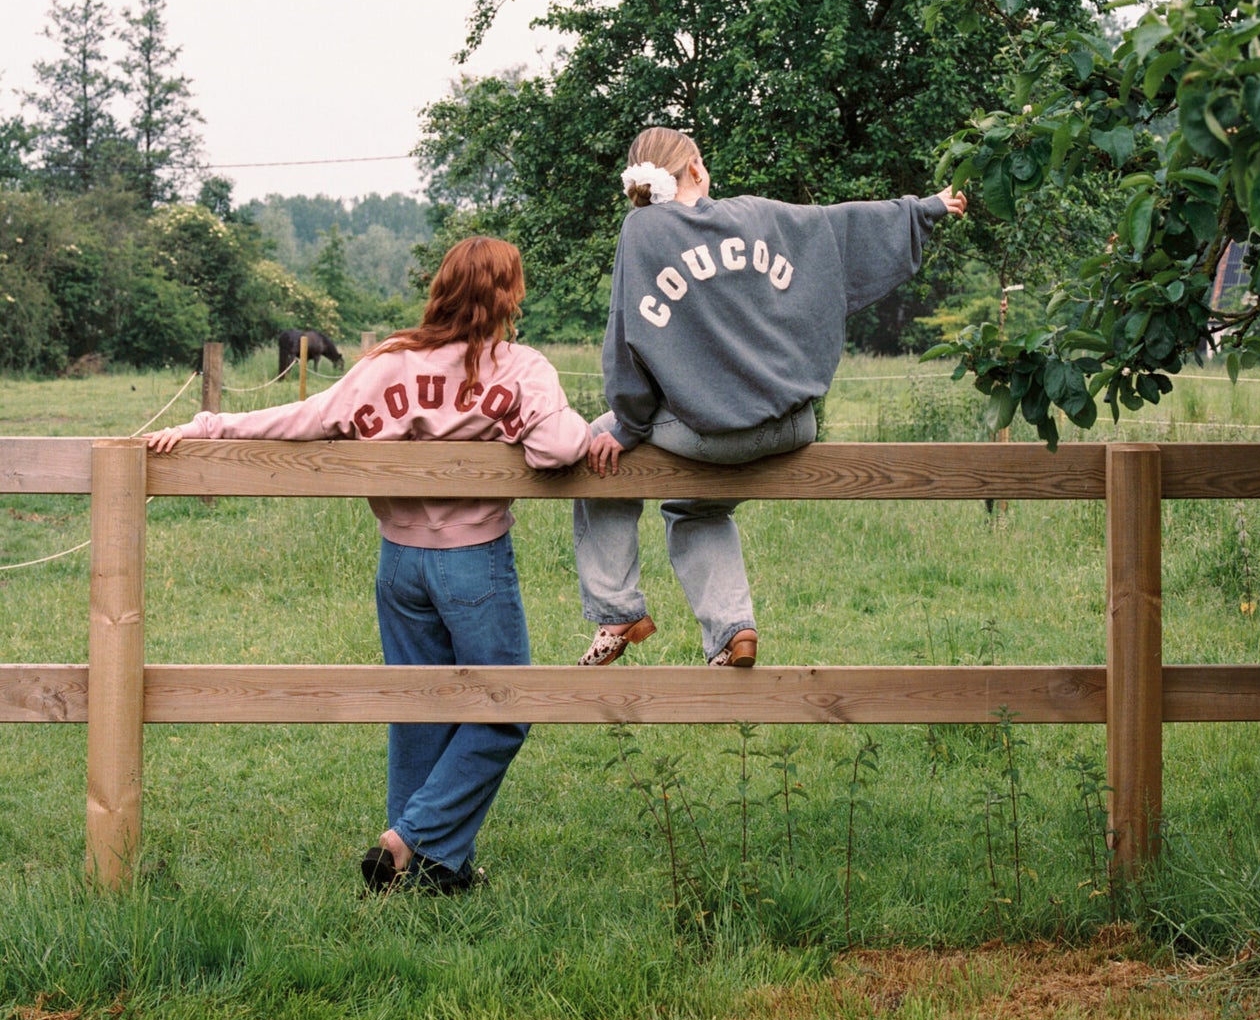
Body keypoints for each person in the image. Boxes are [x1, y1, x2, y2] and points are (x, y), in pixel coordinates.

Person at [148, 237, 591, 894]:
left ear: (441, 289)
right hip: (472, 563)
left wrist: (213, 425)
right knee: (505, 709)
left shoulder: (388, 363)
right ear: (508, 297)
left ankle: (430, 875)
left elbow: (309, 418)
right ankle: (410, 839)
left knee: (418, 709)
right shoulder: (518, 367)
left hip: (399, 565)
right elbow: (559, 447)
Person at [575, 127, 966, 668]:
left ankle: (617, 609)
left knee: (596, 442)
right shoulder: (757, 215)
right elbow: (842, 225)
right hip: (793, 425)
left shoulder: (642, 231)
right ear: (696, 169)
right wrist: (923, 209)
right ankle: (734, 634)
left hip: (715, 434)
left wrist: (627, 425)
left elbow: (626, 339)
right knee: (695, 507)